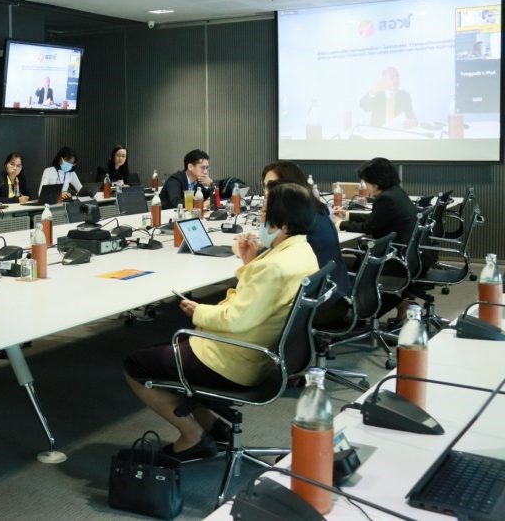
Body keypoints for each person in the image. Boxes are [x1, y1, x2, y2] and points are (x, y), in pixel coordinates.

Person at [124, 183, 319, 460]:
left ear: (283, 224)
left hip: (234, 360)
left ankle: (192, 437)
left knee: (135, 364)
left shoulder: (274, 266)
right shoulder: (302, 252)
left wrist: (197, 310)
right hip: (257, 354)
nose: (260, 217)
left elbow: (234, 319)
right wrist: (249, 261)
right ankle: (212, 426)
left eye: (264, 211)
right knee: (175, 347)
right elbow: (259, 300)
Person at [258, 162, 351, 326]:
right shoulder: (316, 210)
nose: (267, 192)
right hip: (334, 294)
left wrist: (252, 254)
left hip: (315, 304)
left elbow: (275, 267)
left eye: (272, 186)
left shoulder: (300, 222)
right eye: (266, 186)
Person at [332, 157, 418, 319]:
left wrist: (338, 225)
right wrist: (348, 215)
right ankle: (396, 303)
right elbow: (376, 219)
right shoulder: (396, 192)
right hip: (403, 254)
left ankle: (353, 311)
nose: (366, 186)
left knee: (340, 264)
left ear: (376, 183)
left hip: (392, 259)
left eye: (366, 182)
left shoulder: (386, 198)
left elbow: (369, 227)